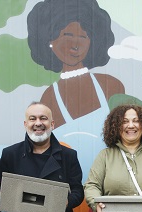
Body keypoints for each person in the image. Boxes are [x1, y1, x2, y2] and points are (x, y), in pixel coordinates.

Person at [27, 0, 124, 128]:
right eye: (67, 35)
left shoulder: (111, 86)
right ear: (50, 41)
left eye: (83, 37)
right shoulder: (49, 98)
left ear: (93, 42)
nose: (75, 45)